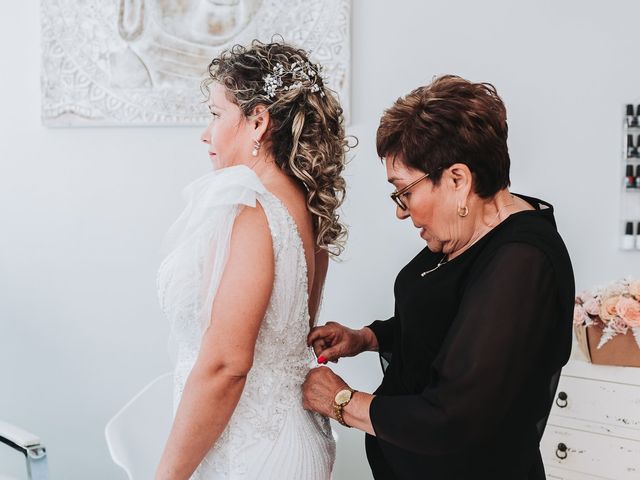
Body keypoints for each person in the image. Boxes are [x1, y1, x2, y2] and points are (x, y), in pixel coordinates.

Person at [302, 75, 575, 480]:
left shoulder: (523, 261)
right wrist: (367, 338)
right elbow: (454, 320)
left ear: (457, 180)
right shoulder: (468, 234)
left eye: (404, 192)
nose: (400, 210)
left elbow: (453, 417)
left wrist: (341, 401)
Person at [155, 40, 350, 479]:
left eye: (216, 113)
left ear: (257, 121)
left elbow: (226, 364)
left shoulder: (251, 209)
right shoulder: (306, 208)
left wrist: (166, 476)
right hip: (290, 436)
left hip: (250, 453)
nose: (206, 133)